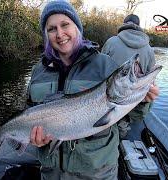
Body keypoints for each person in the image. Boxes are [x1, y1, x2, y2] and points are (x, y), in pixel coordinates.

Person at [26, 1, 120, 179]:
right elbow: (30, 111)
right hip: (51, 174)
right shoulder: (38, 71)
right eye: (52, 29)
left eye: (65, 25)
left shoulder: (105, 65)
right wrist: (36, 139)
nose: (60, 34)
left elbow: (128, 118)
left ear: (77, 27)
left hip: (96, 174)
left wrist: (144, 102)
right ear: (46, 35)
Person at [101, 14, 159, 138]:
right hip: (133, 107)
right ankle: (123, 132)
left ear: (124, 24)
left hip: (107, 102)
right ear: (139, 26)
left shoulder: (111, 42)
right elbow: (151, 84)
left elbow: (98, 71)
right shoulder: (149, 49)